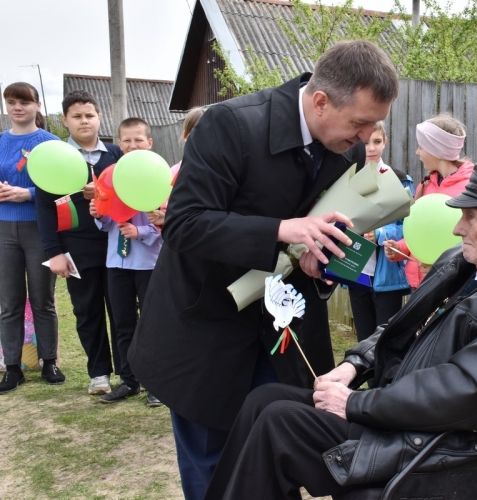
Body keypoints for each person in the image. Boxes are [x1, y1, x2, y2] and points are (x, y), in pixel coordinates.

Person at [203, 163, 477, 500]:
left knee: (279, 424)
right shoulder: (464, 261)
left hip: (449, 443)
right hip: (406, 413)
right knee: (264, 399)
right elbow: (399, 325)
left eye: (471, 215)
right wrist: (354, 364)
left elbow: (461, 391)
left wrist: (353, 403)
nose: (457, 226)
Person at [127, 40, 399, 500]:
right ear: (319, 101)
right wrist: (283, 230)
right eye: (360, 122)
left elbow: (315, 237)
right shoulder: (229, 125)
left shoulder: (347, 149)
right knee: (214, 468)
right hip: (206, 329)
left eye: (376, 124)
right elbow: (185, 224)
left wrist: (319, 263)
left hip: (283, 334)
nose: (367, 136)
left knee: (279, 454)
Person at [35, 90, 123, 396]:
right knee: (87, 311)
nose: (84, 121)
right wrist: (54, 253)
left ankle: (129, 372)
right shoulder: (55, 159)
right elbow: (45, 209)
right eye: (77, 116)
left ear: (99, 117)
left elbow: (130, 200)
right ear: (65, 120)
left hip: (117, 248)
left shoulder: (116, 155)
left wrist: (103, 196)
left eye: (89, 115)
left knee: (122, 311)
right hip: (75, 249)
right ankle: (98, 372)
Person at [90, 118, 163, 407]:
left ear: (149, 143)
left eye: (138, 140)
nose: (132, 146)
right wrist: (98, 214)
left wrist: (141, 231)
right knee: (122, 322)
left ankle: (156, 383)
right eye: (126, 141)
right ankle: (129, 380)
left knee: (152, 323)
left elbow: (166, 221)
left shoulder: (159, 176)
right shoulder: (112, 176)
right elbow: (108, 219)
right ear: (119, 144)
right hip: (117, 262)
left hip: (148, 263)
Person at [0, 82, 65, 394]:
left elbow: (65, 186)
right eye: (11, 102)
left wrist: (27, 193)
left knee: (43, 299)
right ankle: (13, 367)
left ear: (38, 105)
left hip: (39, 229)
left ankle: (49, 361)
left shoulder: (51, 143)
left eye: (24, 102)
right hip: (3, 230)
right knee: (9, 302)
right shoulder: (0, 142)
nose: (17, 107)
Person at [383, 114, 474, 289]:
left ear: (436, 150)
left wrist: (442, 268)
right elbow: (419, 232)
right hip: (419, 285)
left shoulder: (470, 188)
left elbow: (473, 242)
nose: (417, 152)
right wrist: (399, 248)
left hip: (452, 287)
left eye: (421, 147)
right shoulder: (425, 185)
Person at [349, 121, 414, 341]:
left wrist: (380, 234)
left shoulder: (399, 179)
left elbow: (409, 228)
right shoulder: (348, 179)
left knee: (385, 340)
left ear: (385, 142)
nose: (371, 148)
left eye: (377, 141)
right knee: (363, 340)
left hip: (387, 275)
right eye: (366, 142)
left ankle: (387, 378)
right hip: (357, 272)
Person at [147, 106, 205, 227]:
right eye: (194, 131)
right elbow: (167, 209)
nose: (200, 137)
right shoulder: (174, 172)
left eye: (206, 132)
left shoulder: (221, 170)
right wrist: (165, 217)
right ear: (185, 136)